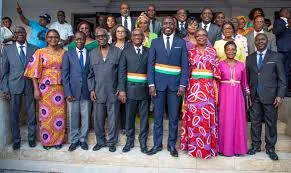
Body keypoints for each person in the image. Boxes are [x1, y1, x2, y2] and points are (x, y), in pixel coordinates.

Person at [147, 16, 188, 157]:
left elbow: (185, 65)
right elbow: (150, 64)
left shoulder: (181, 42)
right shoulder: (155, 42)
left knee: (174, 118)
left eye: (171, 23)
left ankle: (172, 145)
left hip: (175, 87)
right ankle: (157, 145)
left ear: (175, 26)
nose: (168, 25)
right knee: (158, 117)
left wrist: (183, 85)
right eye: (165, 23)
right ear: (162, 26)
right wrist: (151, 84)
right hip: (158, 86)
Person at [180, 29, 220, 159]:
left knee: (207, 118)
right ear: (194, 37)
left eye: (203, 35)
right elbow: (186, 71)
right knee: (194, 118)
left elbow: (217, 72)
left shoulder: (213, 51)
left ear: (207, 37)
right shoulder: (190, 52)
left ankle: (208, 148)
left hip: (208, 89)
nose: (201, 37)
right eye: (198, 36)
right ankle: (193, 148)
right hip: (194, 90)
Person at [246, 33, 286, 161]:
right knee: (255, 122)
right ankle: (256, 146)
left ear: (267, 41)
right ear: (255, 43)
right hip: (254, 96)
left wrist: (280, 95)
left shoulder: (275, 56)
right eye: (257, 40)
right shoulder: (249, 58)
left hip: (271, 96)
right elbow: (247, 79)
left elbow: (282, 79)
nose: (260, 42)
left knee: (270, 123)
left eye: (262, 39)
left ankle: (270, 148)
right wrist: (247, 95)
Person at [24, 29, 66, 150]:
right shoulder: (40, 52)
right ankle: (47, 141)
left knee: (59, 115)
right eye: (50, 37)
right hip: (44, 88)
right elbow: (32, 72)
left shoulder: (64, 52)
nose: (53, 39)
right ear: (46, 38)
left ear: (59, 38)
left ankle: (58, 141)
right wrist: (36, 89)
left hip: (59, 87)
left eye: (56, 37)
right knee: (45, 116)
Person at [1, 26, 38, 150]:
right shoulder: (7, 49)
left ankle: (32, 138)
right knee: (14, 114)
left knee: (31, 113)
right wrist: (5, 88)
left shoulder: (35, 49)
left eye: (22, 31)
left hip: (30, 86)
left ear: (26, 34)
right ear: (14, 35)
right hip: (13, 86)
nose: (19, 34)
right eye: (17, 32)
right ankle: (17, 139)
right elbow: (4, 71)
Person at [88, 28, 122, 152]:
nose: (101, 38)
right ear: (96, 38)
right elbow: (90, 74)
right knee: (98, 119)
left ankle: (112, 142)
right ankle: (100, 142)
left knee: (113, 119)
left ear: (107, 37)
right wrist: (91, 90)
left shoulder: (117, 52)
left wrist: (120, 88)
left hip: (113, 92)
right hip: (98, 92)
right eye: (98, 36)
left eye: (103, 35)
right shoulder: (92, 53)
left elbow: (121, 73)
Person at [118, 28, 149, 153]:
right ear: (131, 38)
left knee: (144, 119)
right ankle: (129, 141)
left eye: (140, 35)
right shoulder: (125, 52)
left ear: (143, 38)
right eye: (135, 35)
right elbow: (121, 72)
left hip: (144, 91)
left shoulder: (149, 51)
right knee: (129, 118)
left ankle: (143, 142)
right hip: (129, 90)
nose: (137, 37)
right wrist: (122, 90)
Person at [218, 41, 249, 157]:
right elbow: (216, 82)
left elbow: (244, 83)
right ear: (225, 51)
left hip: (237, 96)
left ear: (236, 51)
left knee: (237, 120)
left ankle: (238, 149)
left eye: (233, 49)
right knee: (224, 120)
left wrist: (247, 97)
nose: (230, 51)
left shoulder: (241, 65)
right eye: (228, 49)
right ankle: (223, 148)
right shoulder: (219, 64)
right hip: (224, 95)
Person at [62, 31, 91, 151]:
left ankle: (83, 139)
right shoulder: (68, 54)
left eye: (82, 39)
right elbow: (65, 74)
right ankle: (74, 140)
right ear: (74, 40)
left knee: (85, 117)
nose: (79, 41)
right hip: (72, 92)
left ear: (85, 40)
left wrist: (92, 89)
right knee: (73, 116)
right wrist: (67, 92)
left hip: (86, 91)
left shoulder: (90, 54)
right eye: (77, 39)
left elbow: (91, 73)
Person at [273, 8, 291, 95]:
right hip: (281, 50)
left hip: (289, 51)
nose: (289, 13)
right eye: (287, 12)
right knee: (280, 71)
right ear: (283, 13)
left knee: (286, 71)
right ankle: (278, 91)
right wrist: (285, 23)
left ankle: (285, 91)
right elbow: (276, 31)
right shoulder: (278, 21)